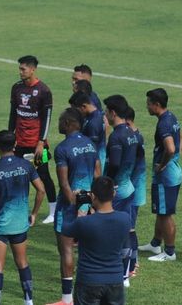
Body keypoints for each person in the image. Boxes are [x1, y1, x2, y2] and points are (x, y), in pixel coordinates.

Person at [0, 130, 46, 305]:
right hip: (20, 224)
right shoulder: (26, 165)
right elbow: (41, 190)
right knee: (22, 263)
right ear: (15, 145)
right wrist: (33, 213)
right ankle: (29, 300)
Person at [49, 108, 100, 305]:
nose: (59, 124)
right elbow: (97, 176)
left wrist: (72, 204)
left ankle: (67, 298)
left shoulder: (62, 148)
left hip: (68, 206)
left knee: (67, 251)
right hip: (89, 202)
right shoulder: (91, 144)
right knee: (87, 251)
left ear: (69, 123)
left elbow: (63, 183)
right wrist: (90, 204)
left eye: (61, 121)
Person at [60, 176, 132, 305]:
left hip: (88, 280)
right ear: (114, 194)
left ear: (93, 196)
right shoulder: (125, 219)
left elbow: (65, 228)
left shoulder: (84, 223)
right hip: (115, 280)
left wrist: (72, 204)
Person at [8, 55, 57, 224]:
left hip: (37, 145)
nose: (20, 72)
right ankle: (18, 209)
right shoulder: (16, 88)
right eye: (20, 68)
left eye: (23, 69)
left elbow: (47, 118)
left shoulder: (44, 91)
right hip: (19, 143)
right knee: (17, 176)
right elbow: (13, 113)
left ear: (33, 69)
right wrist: (10, 136)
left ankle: (53, 210)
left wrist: (41, 142)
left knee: (44, 175)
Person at [138, 88, 182, 263]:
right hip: (174, 170)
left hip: (166, 175)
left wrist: (162, 165)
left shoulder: (163, 123)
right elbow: (180, 137)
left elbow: (170, 148)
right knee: (161, 211)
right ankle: (156, 243)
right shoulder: (171, 117)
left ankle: (170, 252)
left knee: (165, 214)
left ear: (157, 104)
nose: (147, 106)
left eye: (149, 103)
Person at [103, 95, 140, 285]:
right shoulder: (132, 132)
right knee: (126, 229)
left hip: (117, 189)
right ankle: (126, 273)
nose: (105, 114)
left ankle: (118, 271)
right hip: (129, 187)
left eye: (106, 111)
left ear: (113, 112)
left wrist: (107, 182)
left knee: (115, 232)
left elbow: (115, 163)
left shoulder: (117, 135)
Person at [126, 108, 146, 277]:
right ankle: (133, 261)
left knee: (129, 228)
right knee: (129, 227)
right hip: (134, 189)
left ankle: (133, 264)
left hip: (131, 190)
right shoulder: (137, 135)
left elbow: (134, 168)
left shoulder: (134, 139)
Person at [69, 92, 106, 170]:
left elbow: (92, 149)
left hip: (93, 162)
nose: (76, 114)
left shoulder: (93, 122)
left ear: (83, 107)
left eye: (77, 110)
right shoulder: (96, 115)